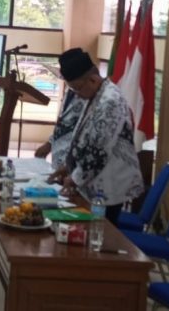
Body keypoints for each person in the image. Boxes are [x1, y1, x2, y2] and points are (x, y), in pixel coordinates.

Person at [48, 48, 143, 225]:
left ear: (92, 79)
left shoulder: (109, 101)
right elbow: (83, 136)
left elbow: (98, 152)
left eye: (77, 88)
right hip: (94, 183)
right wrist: (67, 166)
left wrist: (74, 178)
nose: (76, 94)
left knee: (99, 236)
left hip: (108, 186)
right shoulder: (96, 94)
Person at [34, 89, 87, 170]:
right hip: (59, 156)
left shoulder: (89, 94)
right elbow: (64, 123)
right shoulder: (69, 90)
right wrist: (49, 143)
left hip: (74, 158)